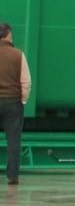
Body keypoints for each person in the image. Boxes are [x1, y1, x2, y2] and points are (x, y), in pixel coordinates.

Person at [0, 24, 30, 186]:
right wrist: (22, 99)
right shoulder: (18, 54)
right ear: (6, 35)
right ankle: (12, 176)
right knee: (13, 140)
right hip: (12, 102)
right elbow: (26, 81)